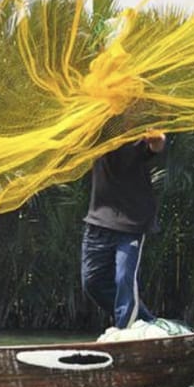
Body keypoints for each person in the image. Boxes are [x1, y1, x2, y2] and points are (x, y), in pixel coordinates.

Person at [81, 131, 165, 329]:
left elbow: (157, 144)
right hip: (98, 221)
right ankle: (148, 323)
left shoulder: (137, 131)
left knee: (123, 279)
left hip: (131, 223)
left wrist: (156, 140)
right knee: (92, 283)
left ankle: (123, 331)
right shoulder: (97, 131)